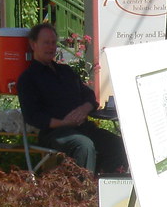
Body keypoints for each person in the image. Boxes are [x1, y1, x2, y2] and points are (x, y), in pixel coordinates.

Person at [17, 22, 127, 174]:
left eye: (53, 43)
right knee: (84, 145)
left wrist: (84, 109)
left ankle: (102, 182)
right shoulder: (28, 78)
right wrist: (64, 122)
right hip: (55, 133)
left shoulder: (66, 71)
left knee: (119, 145)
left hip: (83, 127)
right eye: (46, 43)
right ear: (33, 44)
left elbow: (89, 96)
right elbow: (33, 117)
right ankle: (83, 188)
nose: (51, 47)